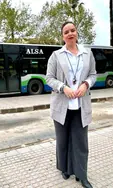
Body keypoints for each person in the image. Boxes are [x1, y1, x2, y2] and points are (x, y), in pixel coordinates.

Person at [45, 21, 97, 188]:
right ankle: (65, 168)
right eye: (66, 31)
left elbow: (93, 74)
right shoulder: (56, 55)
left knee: (81, 142)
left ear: (77, 33)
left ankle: (82, 175)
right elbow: (49, 78)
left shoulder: (87, 54)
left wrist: (86, 84)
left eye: (72, 30)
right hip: (62, 106)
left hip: (81, 106)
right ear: (63, 36)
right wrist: (63, 87)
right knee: (63, 140)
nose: (70, 33)